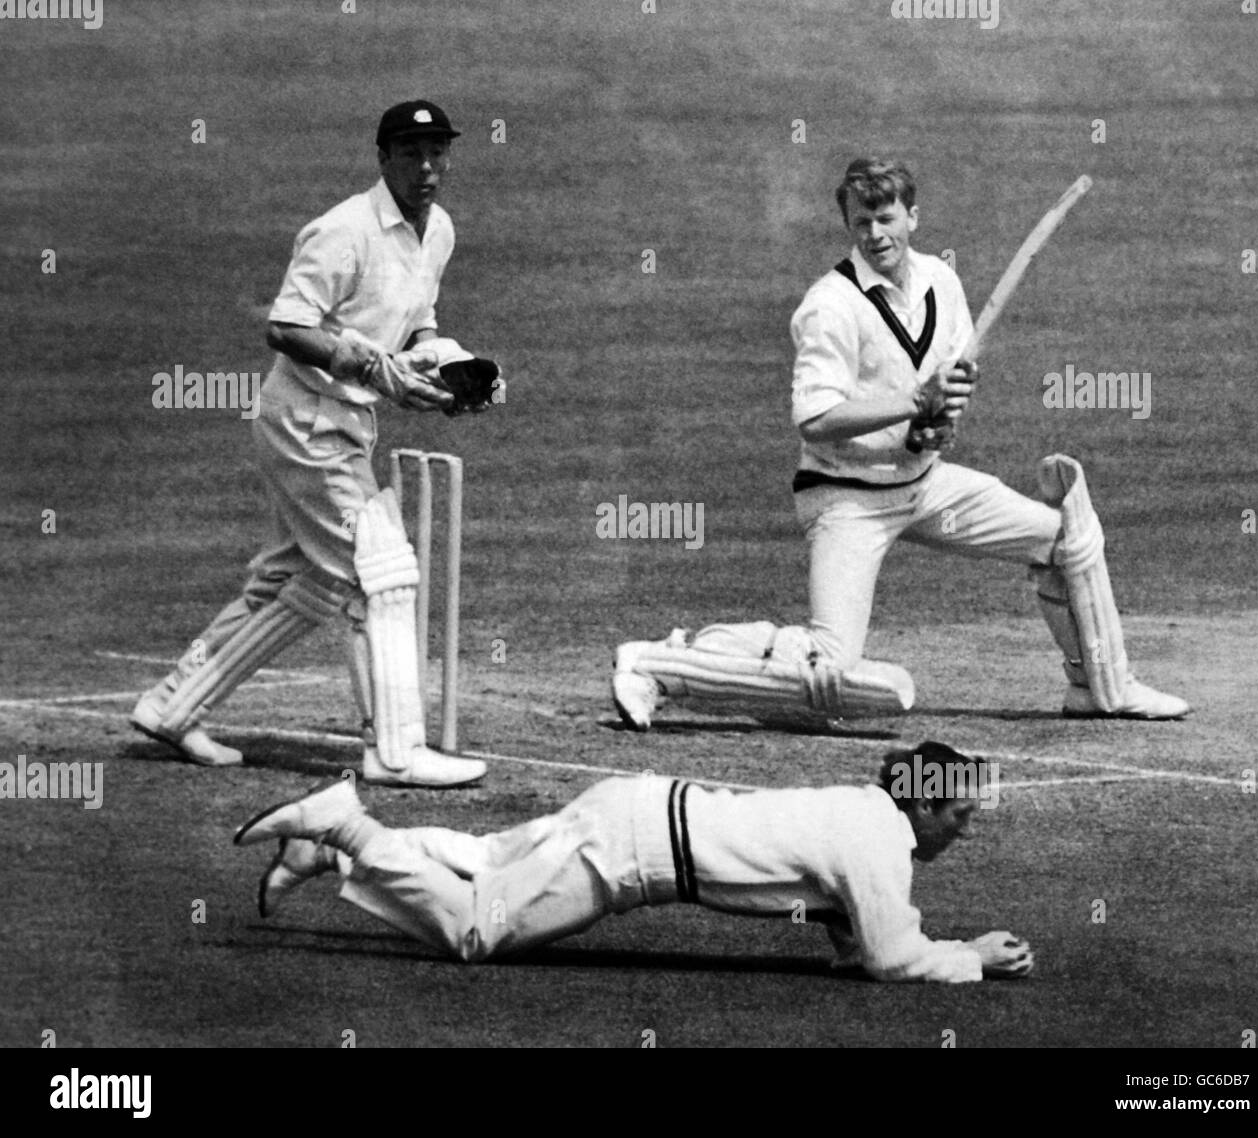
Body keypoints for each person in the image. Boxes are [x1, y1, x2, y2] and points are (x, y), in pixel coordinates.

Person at [611, 157, 1188, 729]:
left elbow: (946, 397)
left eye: (886, 218)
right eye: (861, 223)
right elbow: (814, 418)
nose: (875, 234)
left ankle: (1099, 685)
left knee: (1067, 542)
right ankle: (660, 662)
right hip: (847, 498)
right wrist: (917, 401)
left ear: (912, 216)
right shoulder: (829, 306)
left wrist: (935, 425)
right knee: (831, 663)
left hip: (925, 485)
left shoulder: (942, 280)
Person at [130, 100, 498, 788]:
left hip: (347, 424)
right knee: (379, 572)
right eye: (410, 154)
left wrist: (439, 366)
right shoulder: (343, 231)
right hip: (306, 421)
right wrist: (369, 369)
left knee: (299, 578)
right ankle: (393, 752)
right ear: (383, 157)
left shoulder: (438, 230)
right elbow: (286, 327)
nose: (426, 168)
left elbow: (418, 321)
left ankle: (172, 707)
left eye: (437, 153)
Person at [234, 740, 1035, 983]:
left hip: (634, 803)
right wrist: (973, 956)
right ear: (923, 803)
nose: (964, 829)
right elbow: (892, 959)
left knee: (483, 858)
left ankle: (314, 852)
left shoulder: (860, 810)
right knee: (477, 931)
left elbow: (855, 940)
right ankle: (349, 831)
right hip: (632, 852)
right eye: (960, 813)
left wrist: (882, 946)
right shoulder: (877, 840)